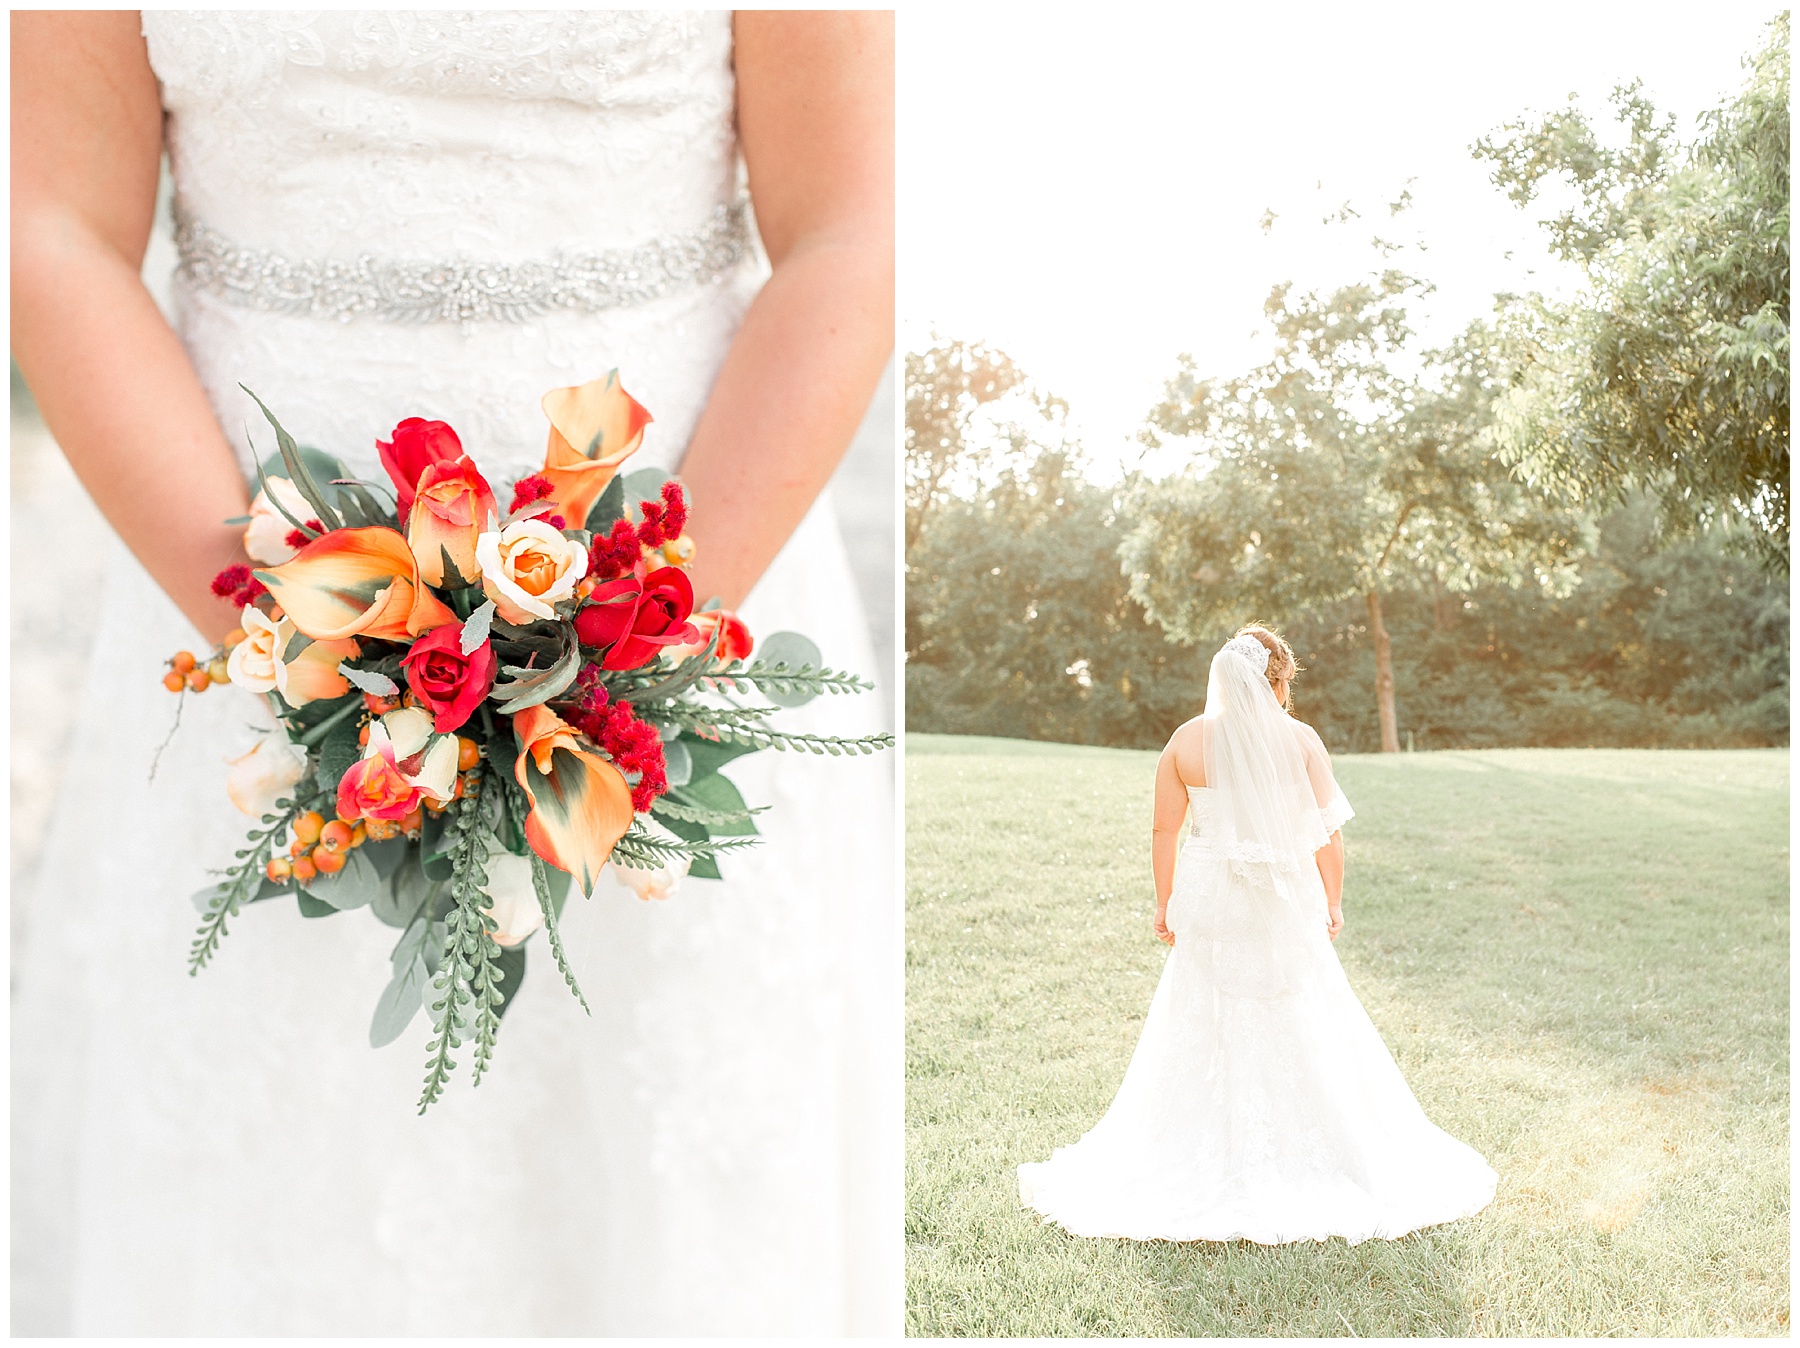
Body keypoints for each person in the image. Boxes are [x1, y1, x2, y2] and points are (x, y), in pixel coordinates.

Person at [11, 11, 894, 1335]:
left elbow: (851, 231)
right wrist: (294, 638)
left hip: (693, 578)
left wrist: (626, 653)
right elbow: (57, 227)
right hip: (244, 610)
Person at [1018, 626, 1496, 1243]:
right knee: (1299, 1009)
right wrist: (1333, 900)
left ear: (1220, 677)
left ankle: (1205, 1143)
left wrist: (1165, 901)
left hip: (1211, 898)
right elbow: (1327, 832)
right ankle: (1313, 1146)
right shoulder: (1298, 740)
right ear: (1278, 679)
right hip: (1283, 898)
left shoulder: (1185, 741)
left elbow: (1166, 832)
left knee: (1205, 1014)